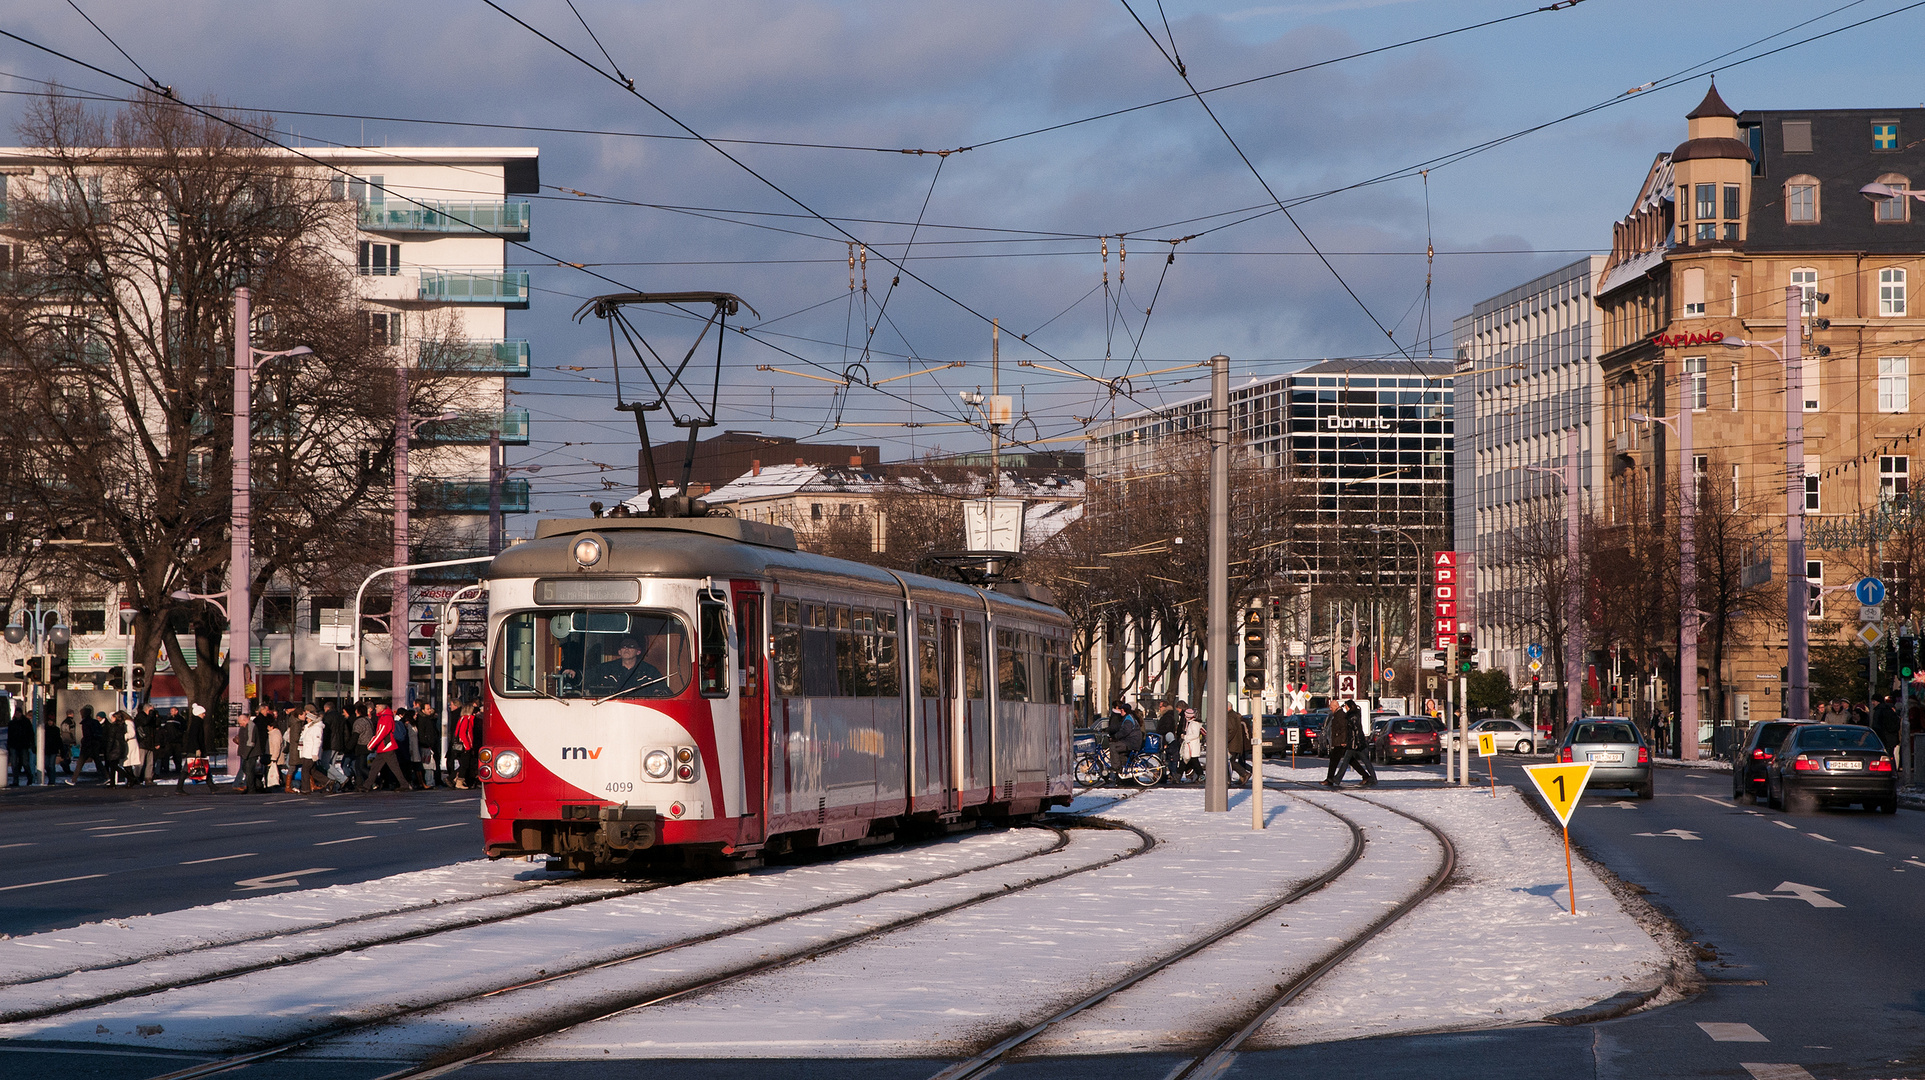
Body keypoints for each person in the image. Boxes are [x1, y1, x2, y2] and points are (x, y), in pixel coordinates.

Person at [358, 706, 416, 792]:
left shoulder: (385, 718)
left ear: (382, 708)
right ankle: (367, 785)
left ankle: (404, 784)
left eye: (377, 706)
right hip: (385, 746)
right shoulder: (385, 717)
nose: (376, 708)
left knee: (390, 767)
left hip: (386, 746)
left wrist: (371, 744)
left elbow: (381, 733)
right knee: (377, 767)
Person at [584, 636, 664, 696]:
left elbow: (663, 691)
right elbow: (585, 677)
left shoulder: (650, 671)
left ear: (638, 651)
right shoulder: (606, 669)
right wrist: (575, 674)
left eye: (631, 646)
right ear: (619, 651)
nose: (626, 649)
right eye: (623, 646)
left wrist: (658, 693)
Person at [1110, 706, 1144, 780]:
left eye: (1121, 710)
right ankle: (1123, 771)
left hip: (1131, 742)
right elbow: (1119, 728)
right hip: (1131, 741)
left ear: (1125, 711)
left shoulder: (1128, 719)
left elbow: (1125, 731)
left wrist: (1115, 737)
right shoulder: (1128, 717)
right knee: (1121, 754)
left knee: (1113, 747)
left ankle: (1116, 768)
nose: (1120, 711)